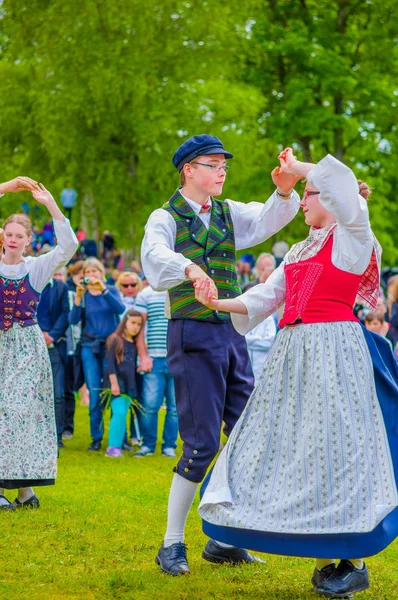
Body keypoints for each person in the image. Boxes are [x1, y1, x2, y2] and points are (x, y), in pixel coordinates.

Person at [195, 149, 398, 598]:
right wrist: (216, 303)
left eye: (309, 194)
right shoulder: (304, 248)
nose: (302, 201)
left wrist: (299, 169)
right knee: (277, 442)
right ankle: (241, 532)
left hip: (334, 349)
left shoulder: (353, 237)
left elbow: (345, 187)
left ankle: (352, 560)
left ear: (330, 197)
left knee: (334, 448)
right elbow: (268, 295)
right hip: (293, 352)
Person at [141, 134, 300, 575]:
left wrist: (285, 188)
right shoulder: (165, 216)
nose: (222, 171)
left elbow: (269, 219)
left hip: (231, 334)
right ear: (188, 169)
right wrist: (190, 268)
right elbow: (153, 257)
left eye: (223, 164)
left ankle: (225, 539)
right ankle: (171, 544)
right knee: (202, 442)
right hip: (190, 332)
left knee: (247, 434)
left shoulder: (230, 212)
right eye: (213, 164)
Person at [0, 178, 78, 511]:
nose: (14, 238)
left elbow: (69, 246)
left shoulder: (37, 267)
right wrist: (9, 185)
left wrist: (50, 204)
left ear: (29, 240)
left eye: (20, 235)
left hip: (27, 346)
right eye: (9, 233)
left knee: (21, 411)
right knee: (6, 413)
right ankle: (18, 491)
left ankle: (20, 488)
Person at [68, 258, 125, 451]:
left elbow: (120, 309)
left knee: (114, 390)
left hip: (110, 347)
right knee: (94, 392)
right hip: (89, 346)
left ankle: (119, 437)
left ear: (101, 273)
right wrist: (77, 296)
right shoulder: (83, 295)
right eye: (87, 271)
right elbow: (73, 320)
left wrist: (104, 290)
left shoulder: (110, 290)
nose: (90, 275)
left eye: (94, 271)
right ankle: (96, 437)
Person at [133, 286, 179, 459]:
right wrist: (143, 356)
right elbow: (139, 328)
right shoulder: (146, 294)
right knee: (150, 405)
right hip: (153, 358)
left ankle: (169, 446)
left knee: (175, 408)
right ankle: (148, 445)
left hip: (177, 359)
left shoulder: (180, 289)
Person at [37, 265, 70, 449]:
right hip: (32, 345)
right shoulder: (31, 284)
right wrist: (38, 334)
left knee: (58, 394)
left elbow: (66, 314)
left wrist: (51, 335)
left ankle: (56, 438)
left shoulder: (61, 287)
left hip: (54, 345)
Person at [104, 310, 143, 457]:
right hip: (117, 384)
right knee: (119, 413)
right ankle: (112, 448)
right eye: (133, 323)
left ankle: (118, 445)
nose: (135, 327)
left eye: (139, 325)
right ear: (125, 322)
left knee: (123, 414)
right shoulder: (115, 339)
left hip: (130, 384)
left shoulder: (135, 343)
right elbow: (110, 364)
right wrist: (114, 383)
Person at [63, 260, 85, 440]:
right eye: (79, 275)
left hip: (80, 344)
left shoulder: (91, 291)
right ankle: (63, 426)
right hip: (66, 343)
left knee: (71, 388)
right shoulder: (65, 290)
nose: (82, 278)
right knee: (64, 388)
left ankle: (68, 426)